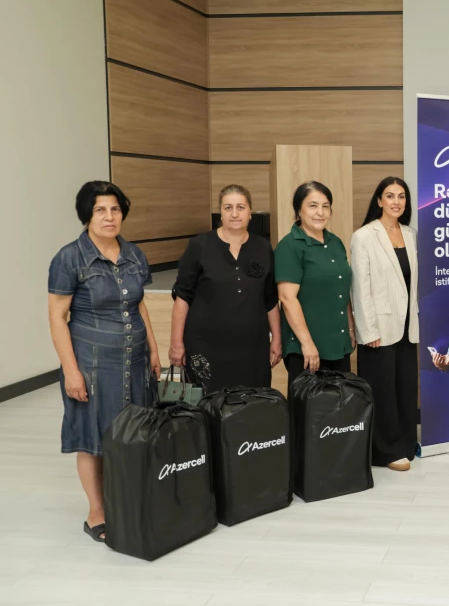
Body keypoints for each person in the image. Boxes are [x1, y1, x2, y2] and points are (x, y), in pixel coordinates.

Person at [48, 181, 162, 543]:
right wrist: (71, 371)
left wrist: (154, 349)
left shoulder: (134, 254)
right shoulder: (70, 258)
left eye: (115, 209)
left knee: (135, 432)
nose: (109, 217)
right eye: (100, 210)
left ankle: (130, 501)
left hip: (136, 359)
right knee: (94, 437)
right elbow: (57, 317)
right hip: (93, 364)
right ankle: (97, 512)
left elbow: (139, 304)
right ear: (87, 215)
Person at [170, 185, 281, 391]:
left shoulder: (263, 247)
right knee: (206, 404)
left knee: (252, 403)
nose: (235, 214)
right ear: (220, 213)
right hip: (205, 346)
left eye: (241, 207)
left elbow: (270, 298)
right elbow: (182, 297)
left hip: (252, 348)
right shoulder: (199, 246)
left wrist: (277, 339)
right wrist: (176, 343)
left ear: (250, 212)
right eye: (228, 208)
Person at [352, 177, 419, 472]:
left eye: (401, 196)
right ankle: (386, 450)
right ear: (379, 200)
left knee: (405, 388)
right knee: (383, 390)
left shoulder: (411, 234)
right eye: (390, 196)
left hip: (407, 326)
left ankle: (405, 443)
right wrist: (368, 330)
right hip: (378, 328)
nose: (396, 201)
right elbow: (359, 288)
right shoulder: (364, 236)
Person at [275, 181, 356, 383]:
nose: (320, 212)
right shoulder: (290, 245)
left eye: (325, 206)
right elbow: (287, 299)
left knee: (342, 400)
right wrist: (307, 344)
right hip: (306, 349)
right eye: (313, 206)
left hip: (338, 343)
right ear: (299, 210)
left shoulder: (335, 242)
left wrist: (350, 328)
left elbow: (341, 289)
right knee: (309, 402)